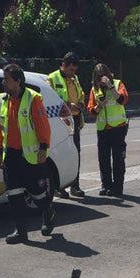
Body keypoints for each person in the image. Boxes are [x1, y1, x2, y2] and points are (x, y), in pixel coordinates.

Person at [0, 63, 55, 244]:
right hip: (11, 155)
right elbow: (2, 127)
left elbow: (43, 126)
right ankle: (21, 232)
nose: (3, 83)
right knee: (14, 195)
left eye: (7, 79)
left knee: (37, 194)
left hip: (29, 156)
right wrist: (0, 151)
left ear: (18, 81)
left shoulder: (32, 99)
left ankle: (48, 210)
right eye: (3, 79)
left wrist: (44, 148)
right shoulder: (3, 99)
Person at [46, 52, 86, 198]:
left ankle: (75, 186)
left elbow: (81, 94)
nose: (73, 73)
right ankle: (59, 186)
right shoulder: (52, 78)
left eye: (75, 70)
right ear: (64, 65)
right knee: (60, 153)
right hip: (59, 122)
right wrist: (69, 105)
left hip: (74, 120)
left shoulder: (74, 78)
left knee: (75, 152)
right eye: (71, 69)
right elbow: (51, 98)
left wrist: (80, 105)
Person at [86, 63, 129, 198]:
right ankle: (106, 185)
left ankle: (118, 187)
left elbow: (123, 99)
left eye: (103, 76)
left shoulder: (117, 84)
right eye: (98, 77)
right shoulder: (94, 89)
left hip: (118, 128)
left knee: (118, 159)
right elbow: (91, 110)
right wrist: (98, 107)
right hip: (103, 129)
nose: (101, 80)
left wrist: (110, 87)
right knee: (103, 159)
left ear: (108, 75)